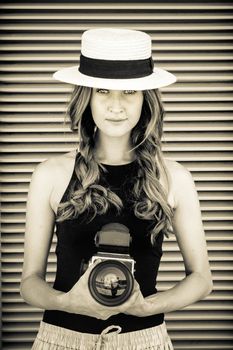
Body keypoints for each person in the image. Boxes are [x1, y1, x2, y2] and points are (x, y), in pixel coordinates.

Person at [20, 28, 213, 350]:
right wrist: (69, 302)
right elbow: (29, 283)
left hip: (145, 341)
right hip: (60, 340)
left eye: (129, 92)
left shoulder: (175, 178)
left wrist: (146, 306)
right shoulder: (50, 174)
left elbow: (202, 280)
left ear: (146, 99)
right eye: (103, 91)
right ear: (87, 97)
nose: (116, 106)